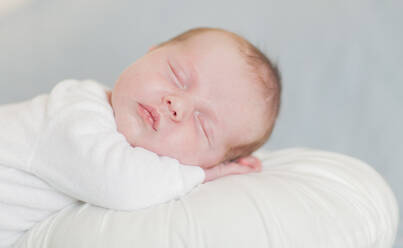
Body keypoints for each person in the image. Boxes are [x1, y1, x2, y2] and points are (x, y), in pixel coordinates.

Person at [0, 27, 281, 247]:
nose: (177, 104)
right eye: (177, 76)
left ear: (211, 157)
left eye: (202, 125)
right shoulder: (74, 112)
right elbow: (118, 182)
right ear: (150, 53)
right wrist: (203, 174)